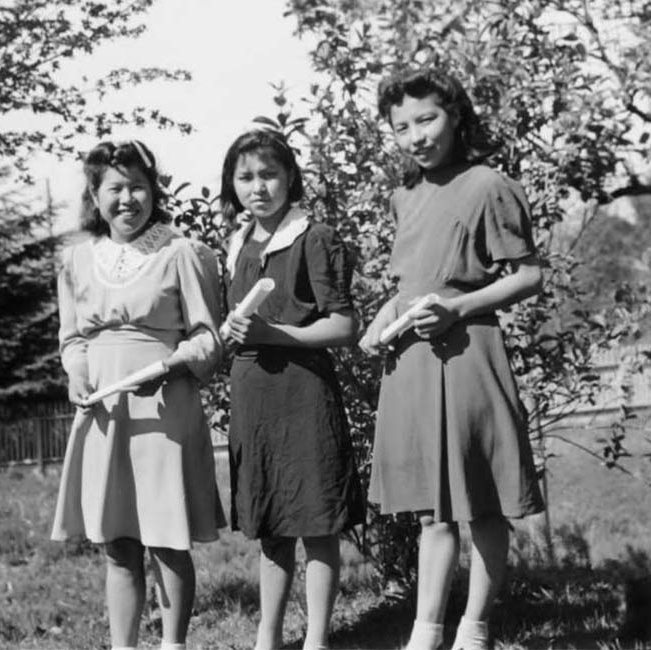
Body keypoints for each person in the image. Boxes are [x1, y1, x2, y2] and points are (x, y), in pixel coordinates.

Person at [359, 68, 545, 650]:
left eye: (427, 119)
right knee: (431, 512)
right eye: (401, 126)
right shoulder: (403, 196)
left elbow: (529, 275)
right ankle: (426, 632)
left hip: (468, 355)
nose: (415, 136)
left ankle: (476, 628)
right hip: (412, 361)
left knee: (483, 506)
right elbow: (413, 281)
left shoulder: (489, 184)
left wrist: (457, 308)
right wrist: (381, 318)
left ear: (456, 115)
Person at [50, 140, 225, 650]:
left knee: (166, 540)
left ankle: (173, 645)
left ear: (154, 190)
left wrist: (170, 364)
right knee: (118, 543)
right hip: (105, 413)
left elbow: (208, 338)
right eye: (115, 188)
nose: (128, 199)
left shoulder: (181, 252)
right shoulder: (77, 261)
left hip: (164, 410)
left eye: (138, 187)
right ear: (94, 195)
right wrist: (77, 373)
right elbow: (72, 339)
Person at [220, 125, 365, 650]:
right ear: (232, 184)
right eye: (245, 177)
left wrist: (272, 333)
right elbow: (233, 323)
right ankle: (268, 638)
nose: (258, 187)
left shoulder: (315, 237)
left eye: (268, 174)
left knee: (317, 522)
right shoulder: (237, 243)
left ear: (289, 178)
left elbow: (345, 327)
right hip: (254, 396)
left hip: (303, 393)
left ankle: (318, 639)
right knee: (272, 527)